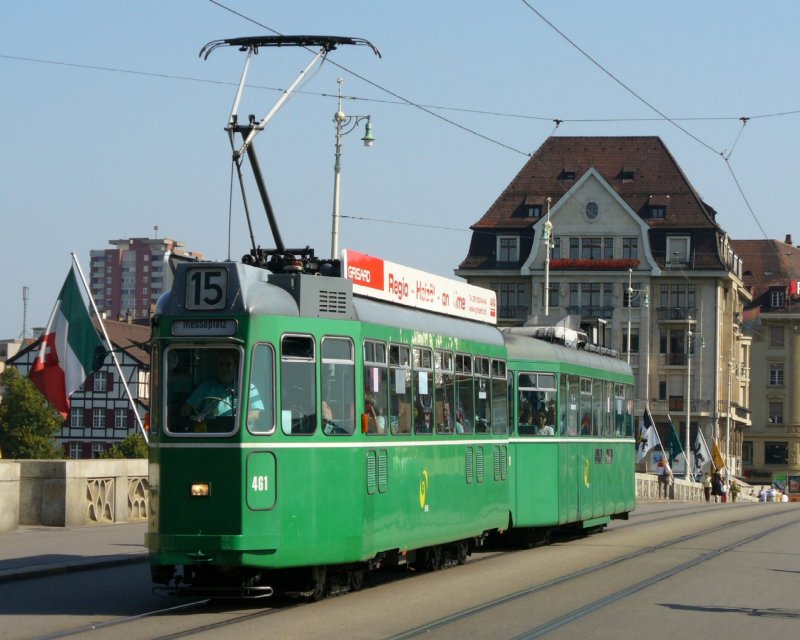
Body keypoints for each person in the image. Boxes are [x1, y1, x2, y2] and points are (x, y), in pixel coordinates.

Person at [181, 352, 263, 429]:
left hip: (237, 431)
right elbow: (187, 407)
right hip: (210, 432)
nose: (224, 368)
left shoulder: (247, 387)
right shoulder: (207, 387)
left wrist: (234, 422)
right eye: (221, 364)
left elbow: (256, 414)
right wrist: (191, 418)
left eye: (228, 364)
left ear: (236, 367)